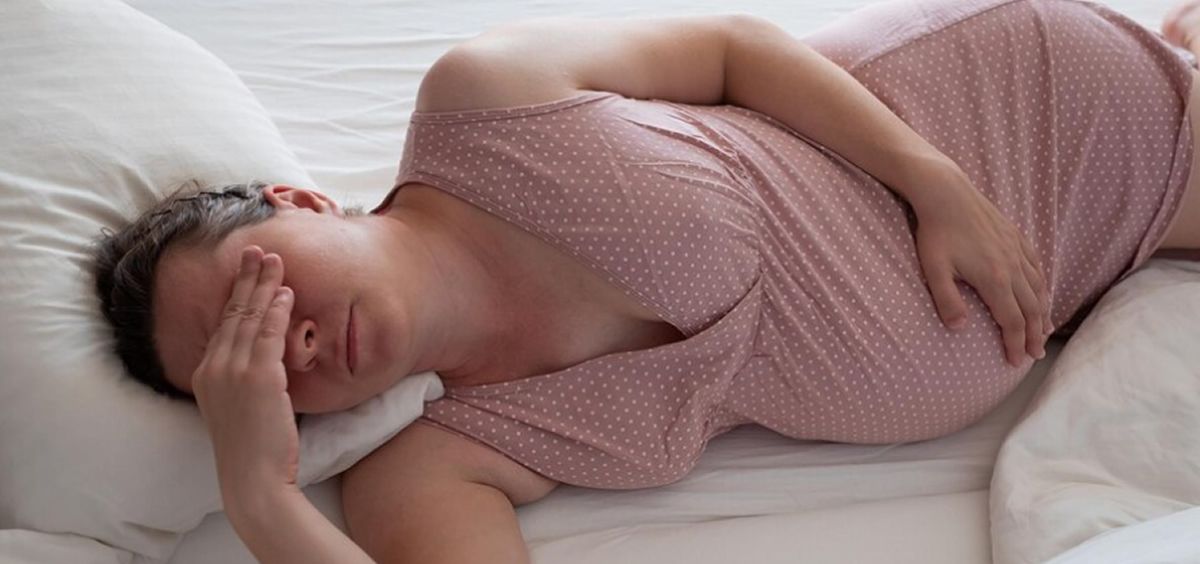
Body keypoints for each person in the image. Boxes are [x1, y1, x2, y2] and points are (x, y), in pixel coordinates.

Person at [89, 0, 1200, 561]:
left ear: (299, 202)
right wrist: (263, 499)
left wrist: (936, 184)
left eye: (260, 292)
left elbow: (730, 48)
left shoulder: (484, 105)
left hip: (998, 117)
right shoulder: (439, 463)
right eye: (251, 364)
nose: (289, 342)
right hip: (1076, 267)